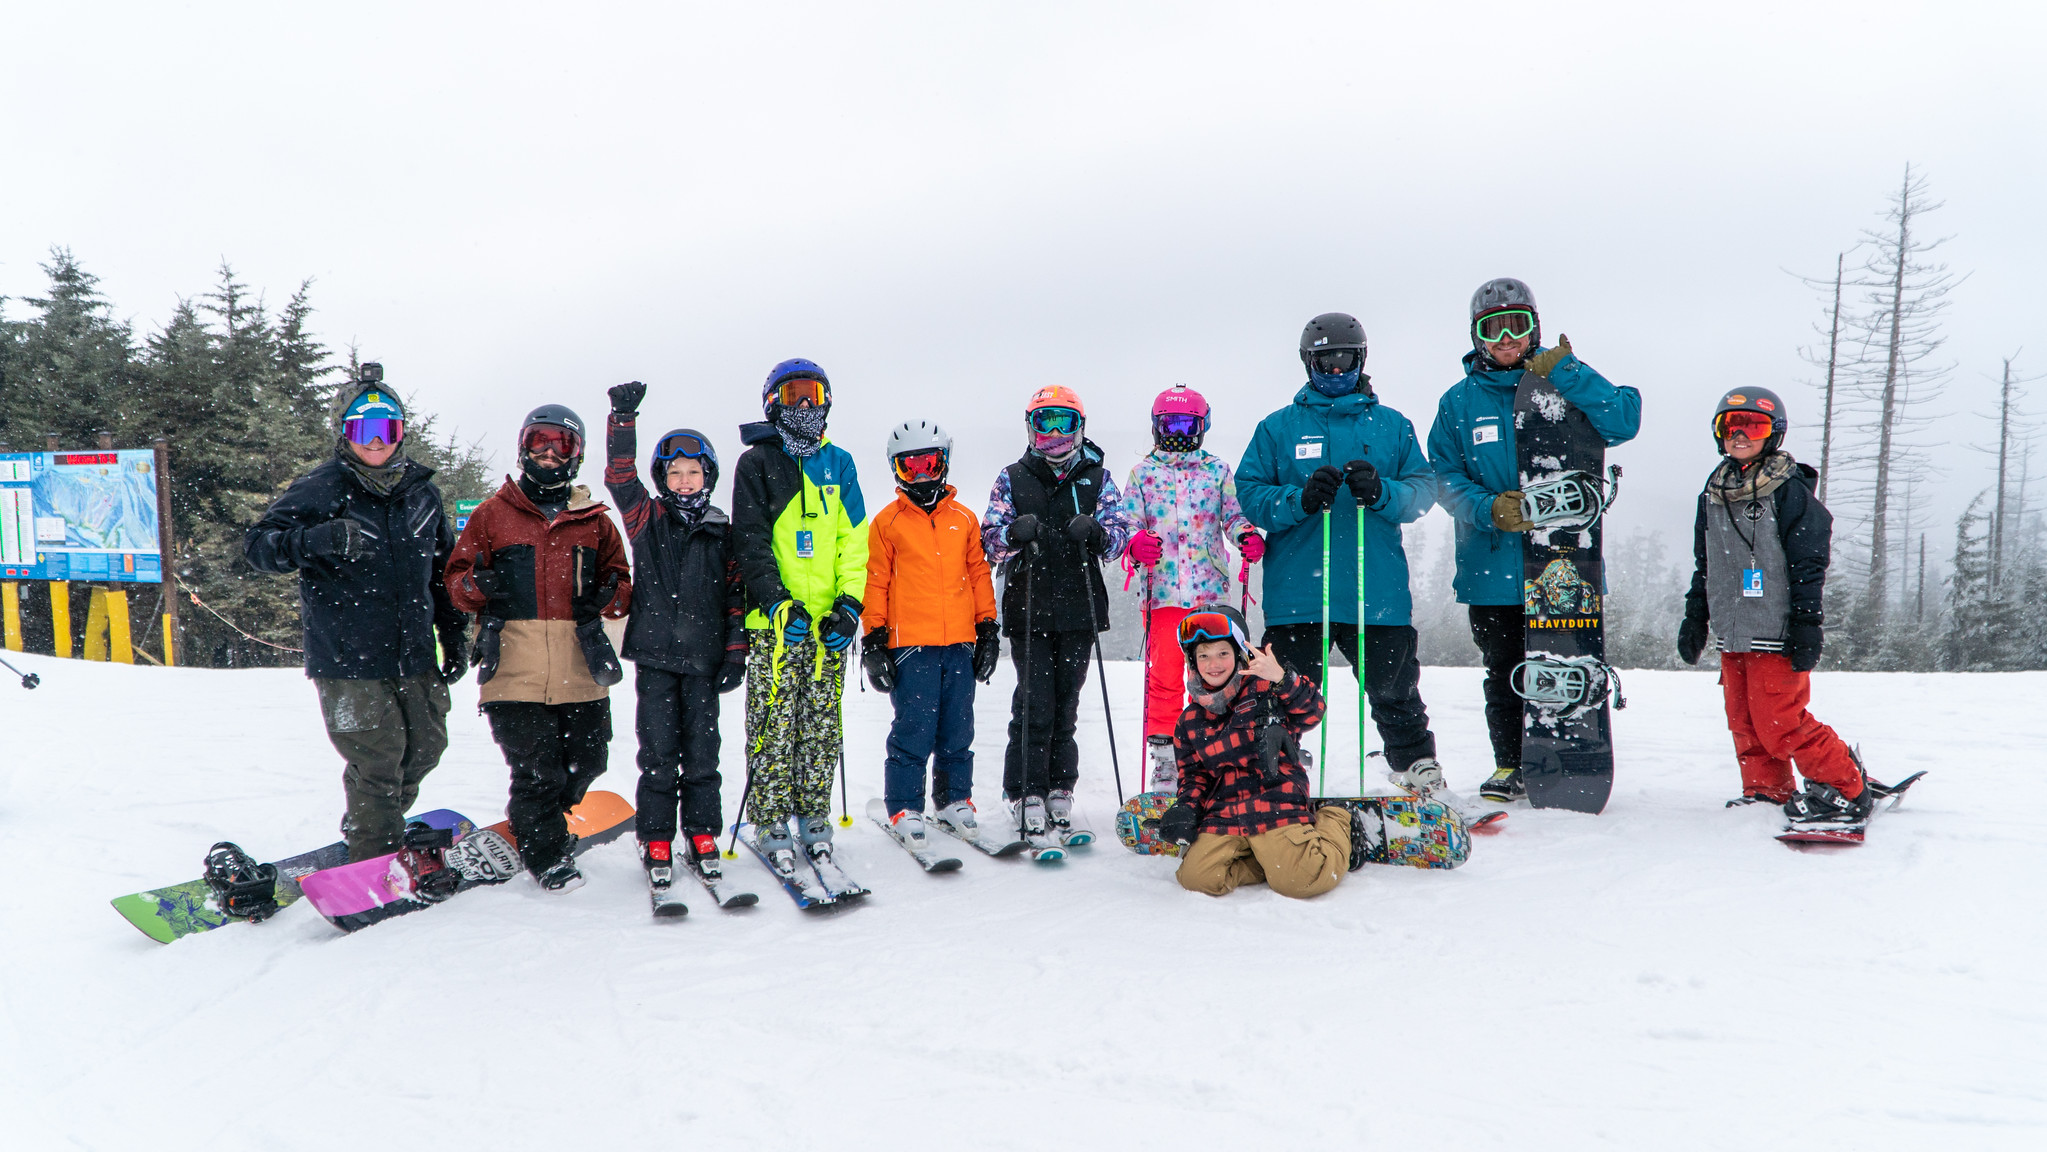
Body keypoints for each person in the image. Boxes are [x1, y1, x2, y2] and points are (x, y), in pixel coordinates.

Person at [1426, 278, 1641, 802]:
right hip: (1492, 562)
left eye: (1516, 324)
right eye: (1491, 327)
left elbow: (1623, 420)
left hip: (1565, 559)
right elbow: (1441, 475)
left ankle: (1572, 754)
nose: (1505, 337)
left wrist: (1568, 372)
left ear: (1534, 327)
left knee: (1567, 657)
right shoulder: (1458, 402)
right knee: (1503, 668)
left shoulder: (1564, 381)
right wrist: (1487, 508)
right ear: (1476, 336)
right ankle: (1510, 763)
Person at [246, 363, 468, 862]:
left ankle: (372, 822)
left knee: (427, 749)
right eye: (362, 429)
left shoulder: (422, 494)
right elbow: (259, 547)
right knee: (378, 763)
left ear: (400, 432)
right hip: (349, 658)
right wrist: (318, 540)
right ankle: (375, 857)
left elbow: (443, 572)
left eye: (385, 428)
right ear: (344, 432)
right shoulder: (322, 487)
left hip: (413, 653)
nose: (375, 440)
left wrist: (454, 636)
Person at [1235, 313, 1444, 792]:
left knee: (1396, 691)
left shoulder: (1392, 425)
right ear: (1308, 363)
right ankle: (1273, 772)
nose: (1335, 369)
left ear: (1361, 358)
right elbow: (1250, 492)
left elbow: (1424, 487)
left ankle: (1418, 770)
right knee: (1285, 693)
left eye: (1344, 359)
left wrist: (1384, 493)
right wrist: (1298, 500)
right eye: (1324, 360)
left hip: (1378, 592)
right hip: (1297, 595)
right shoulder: (1277, 428)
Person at [445, 403, 632, 892]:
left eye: (561, 444)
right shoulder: (493, 515)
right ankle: (547, 856)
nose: (549, 453)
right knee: (538, 769)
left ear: (577, 454)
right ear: (523, 447)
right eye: (539, 442)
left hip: (580, 666)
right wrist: (481, 584)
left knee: (589, 762)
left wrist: (608, 594)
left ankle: (546, 817)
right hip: (514, 670)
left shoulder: (595, 522)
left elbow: (623, 583)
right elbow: (455, 583)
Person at [1679, 388, 1870, 824]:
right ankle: (1767, 788)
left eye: (1755, 426)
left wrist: (1807, 623)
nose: (1741, 435)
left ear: (1774, 434)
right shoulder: (1712, 494)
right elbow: (1704, 563)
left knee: (1779, 720)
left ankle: (1845, 786)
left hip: (1776, 628)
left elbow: (1809, 563)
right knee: (1743, 718)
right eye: (1731, 426)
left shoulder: (1789, 491)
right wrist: (1696, 616)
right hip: (1734, 629)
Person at [603, 380, 747, 892]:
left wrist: (735, 653)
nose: (684, 481)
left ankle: (703, 833)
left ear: (706, 475)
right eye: (674, 472)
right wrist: (623, 420)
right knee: (659, 754)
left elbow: (736, 598)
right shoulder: (648, 520)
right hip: (658, 658)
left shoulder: (720, 531)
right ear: (663, 478)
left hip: (706, 662)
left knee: (704, 755)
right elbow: (620, 477)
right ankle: (657, 835)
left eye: (693, 472)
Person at [731, 358, 869, 879]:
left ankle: (813, 813)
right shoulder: (757, 464)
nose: (805, 404)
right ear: (773, 403)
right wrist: (776, 601)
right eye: (794, 395)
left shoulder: (841, 463)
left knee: (820, 725)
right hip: (777, 625)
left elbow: (853, 543)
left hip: (828, 626)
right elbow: (751, 542)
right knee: (774, 720)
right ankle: (769, 819)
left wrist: (850, 606)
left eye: (813, 393)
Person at [980, 385, 1135, 840]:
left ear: (1079, 427)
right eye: (1044, 422)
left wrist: (1099, 534)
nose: (1053, 432)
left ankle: (1059, 788)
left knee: (1067, 701)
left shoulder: (1097, 477)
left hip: (1079, 607)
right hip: (1029, 605)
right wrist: (1012, 534)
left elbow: (1121, 534)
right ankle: (1025, 790)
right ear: (1030, 428)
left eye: (1063, 422)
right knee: (1034, 700)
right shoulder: (1012, 477)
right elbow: (989, 537)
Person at [1149, 607, 1361, 898]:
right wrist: (1187, 807)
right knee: (1197, 879)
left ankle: (1337, 818)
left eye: (1222, 653)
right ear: (1193, 662)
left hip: (1274, 801)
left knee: (1303, 881)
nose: (1213, 663)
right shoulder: (1189, 721)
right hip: (1223, 812)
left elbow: (1314, 711)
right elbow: (1193, 776)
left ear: (1238, 654)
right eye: (1204, 655)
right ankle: (1267, 861)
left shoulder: (1267, 689)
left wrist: (1282, 679)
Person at [859, 420, 1001, 845]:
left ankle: (955, 799)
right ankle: (905, 805)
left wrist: (988, 630)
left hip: (959, 642)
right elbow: (876, 581)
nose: (921, 474)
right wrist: (873, 640)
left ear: (944, 464)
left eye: (929, 463)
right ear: (896, 471)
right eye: (909, 467)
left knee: (958, 728)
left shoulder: (964, 519)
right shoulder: (887, 523)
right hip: (910, 647)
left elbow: (978, 575)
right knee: (914, 728)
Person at [1118, 384, 1263, 791]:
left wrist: (1246, 535)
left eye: (1187, 424)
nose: (1177, 433)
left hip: (1209, 593)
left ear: (1202, 426)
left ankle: (1216, 753)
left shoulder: (1217, 471)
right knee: (1163, 676)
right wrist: (1135, 542)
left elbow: (1232, 517)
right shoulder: (1143, 474)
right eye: (1169, 424)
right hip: (1163, 593)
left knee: (1215, 675)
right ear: (1155, 427)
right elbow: (1127, 524)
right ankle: (1165, 758)